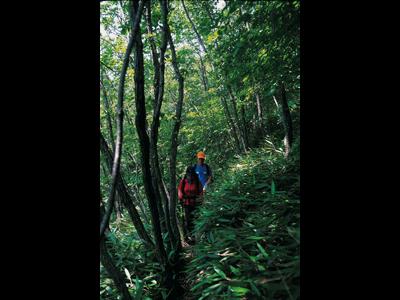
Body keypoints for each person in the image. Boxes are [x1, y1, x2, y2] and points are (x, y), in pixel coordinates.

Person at [178, 166, 202, 243]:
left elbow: (201, 192)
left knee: (196, 219)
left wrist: (200, 199)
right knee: (188, 220)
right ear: (187, 173)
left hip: (195, 203)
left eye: (191, 173)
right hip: (187, 203)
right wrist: (181, 198)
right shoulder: (183, 181)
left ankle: (197, 236)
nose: (190, 175)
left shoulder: (197, 181)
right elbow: (180, 191)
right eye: (189, 173)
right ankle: (190, 237)